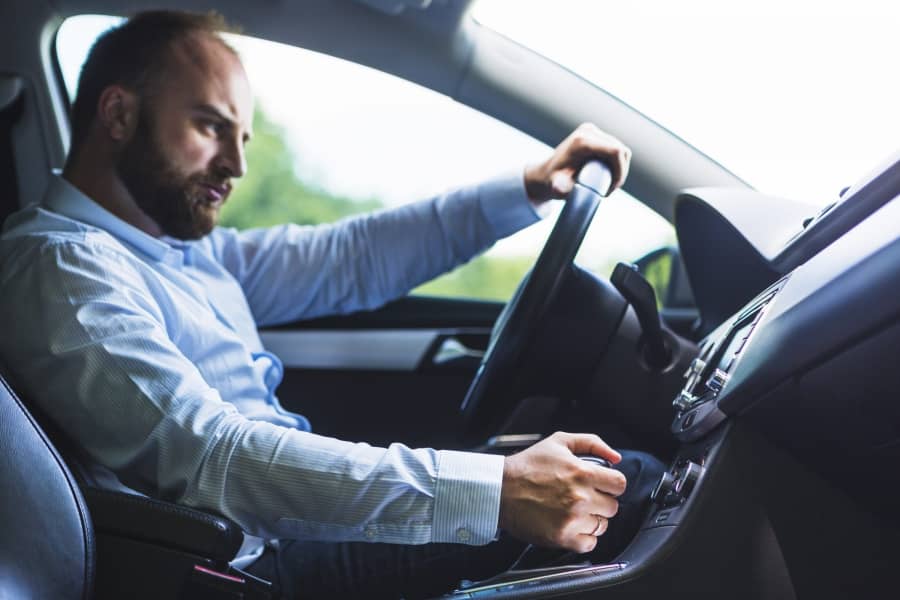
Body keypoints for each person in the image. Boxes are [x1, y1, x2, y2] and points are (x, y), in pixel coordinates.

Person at [0, 10, 664, 599]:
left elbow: (352, 259)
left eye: (243, 139)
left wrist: (529, 187)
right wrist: (494, 492)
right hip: (256, 570)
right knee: (627, 487)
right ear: (118, 115)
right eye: (210, 126)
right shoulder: (61, 265)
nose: (235, 164)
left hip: (289, 536)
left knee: (607, 481)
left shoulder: (175, 249)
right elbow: (216, 462)